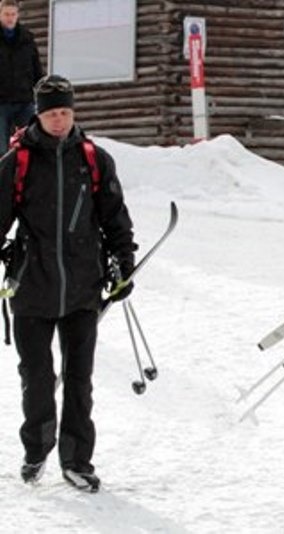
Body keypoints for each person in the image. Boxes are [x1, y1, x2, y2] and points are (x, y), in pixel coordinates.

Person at [0, 74, 137, 492]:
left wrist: (123, 263)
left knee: (80, 380)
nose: (59, 120)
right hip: (31, 287)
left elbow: (115, 217)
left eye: (65, 112)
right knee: (37, 377)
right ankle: (36, 450)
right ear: (38, 115)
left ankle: (77, 460)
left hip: (82, 287)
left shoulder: (94, 159)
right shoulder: (17, 162)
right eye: (51, 113)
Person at [0, 0, 44, 154]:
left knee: (32, 142)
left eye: (13, 14)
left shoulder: (27, 39)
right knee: (1, 147)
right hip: (1, 102)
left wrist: (42, 88)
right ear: (0, 15)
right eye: (6, 14)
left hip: (24, 100)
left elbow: (37, 68)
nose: (10, 18)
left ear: (17, 15)